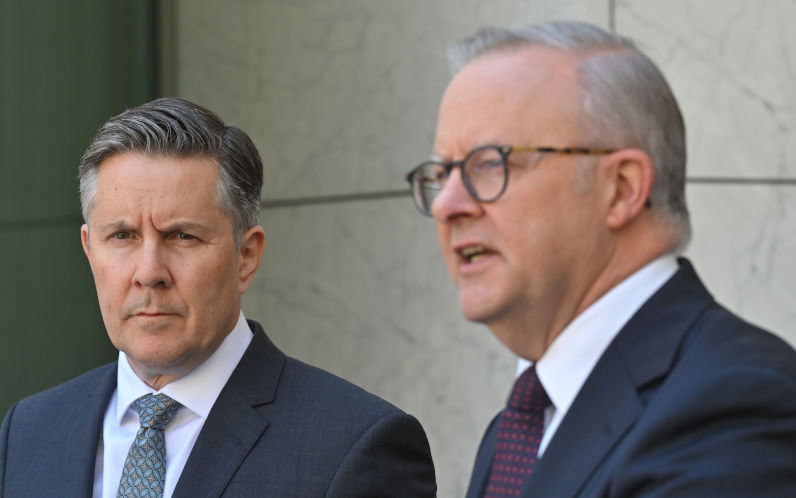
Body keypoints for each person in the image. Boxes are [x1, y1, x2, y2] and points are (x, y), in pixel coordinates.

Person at [405, 21, 796, 497]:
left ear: (622, 189)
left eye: (489, 163)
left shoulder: (733, 402)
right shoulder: (525, 423)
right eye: (441, 173)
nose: (447, 205)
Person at [0, 97, 436, 497]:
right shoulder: (27, 433)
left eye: (183, 236)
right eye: (122, 236)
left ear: (246, 256)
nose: (149, 272)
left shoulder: (355, 445)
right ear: (89, 250)